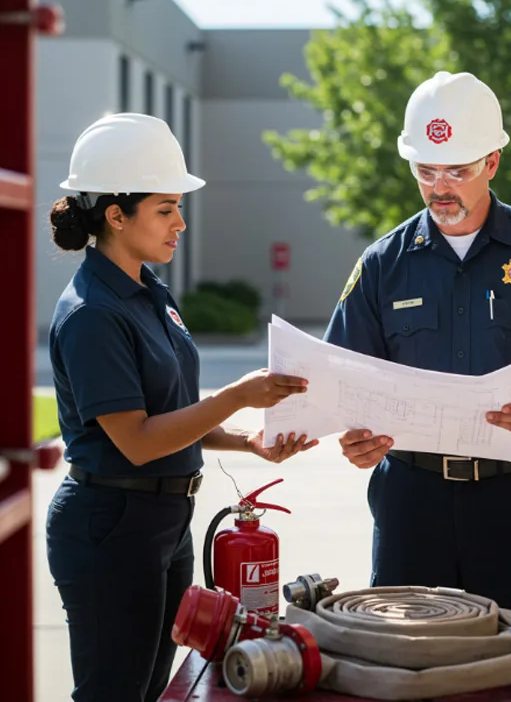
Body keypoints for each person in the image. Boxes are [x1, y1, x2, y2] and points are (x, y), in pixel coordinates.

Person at [45, 113, 316, 702]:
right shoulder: (93, 313)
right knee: (114, 692)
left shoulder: (148, 291)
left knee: (154, 690)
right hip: (110, 525)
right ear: (117, 214)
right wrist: (237, 396)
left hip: (163, 523)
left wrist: (247, 440)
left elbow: (170, 411)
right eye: (165, 208)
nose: (180, 222)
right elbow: (137, 440)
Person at [324, 71, 511, 609]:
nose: (440, 188)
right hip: (411, 498)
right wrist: (354, 433)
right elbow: (341, 375)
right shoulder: (382, 265)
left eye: (457, 171)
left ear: (492, 163)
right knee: (409, 656)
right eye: (426, 171)